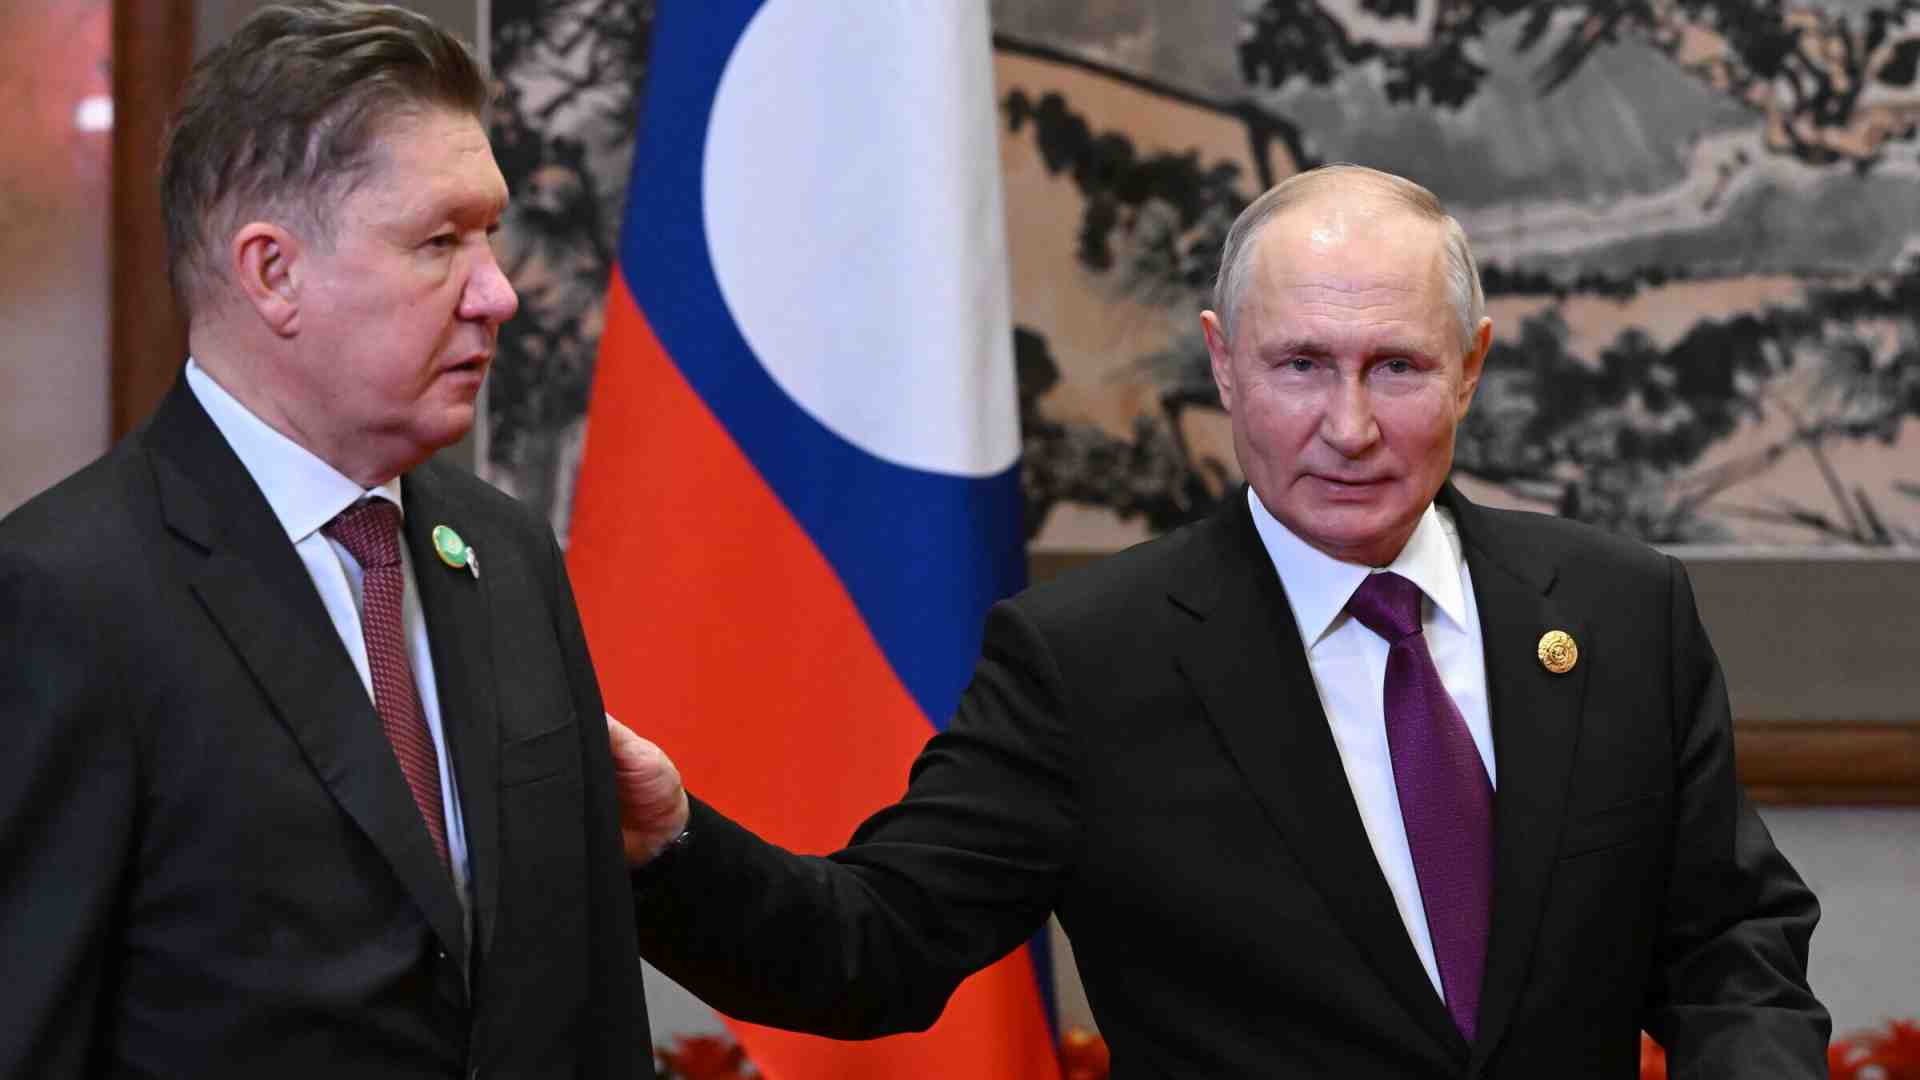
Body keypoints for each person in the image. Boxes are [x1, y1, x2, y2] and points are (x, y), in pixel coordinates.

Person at [609, 164, 1830, 1077]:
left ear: (1471, 365)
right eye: (1300, 365)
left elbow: (1729, 943)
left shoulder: (1622, 611)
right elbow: (871, 949)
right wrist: (670, 846)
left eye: (1397, 367)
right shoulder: (1088, 662)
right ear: (1224, 364)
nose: (1349, 427)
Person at [0, 3, 652, 1075]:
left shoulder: (505, 550)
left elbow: (588, 999)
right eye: (439, 242)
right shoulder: (63, 596)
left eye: (489, 235)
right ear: (273, 273)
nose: (498, 293)